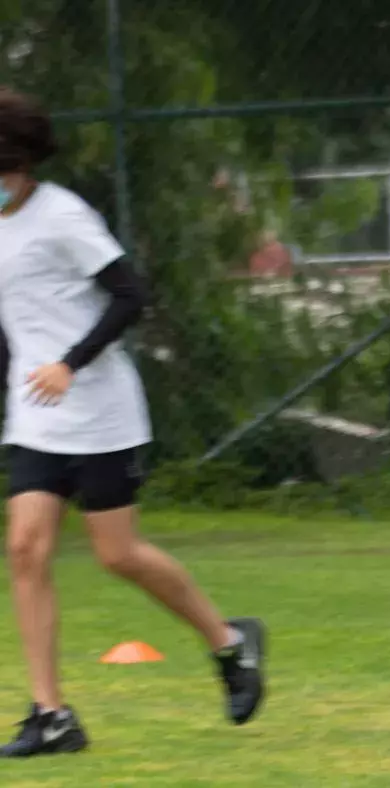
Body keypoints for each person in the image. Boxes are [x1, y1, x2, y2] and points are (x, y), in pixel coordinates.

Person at [0, 88, 267, 758]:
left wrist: (70, 362)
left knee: (117, 554)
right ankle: (51, 714)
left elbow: (130, 295)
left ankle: (231, 645)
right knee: (26, 548)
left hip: (98, 415)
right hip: (33, 418)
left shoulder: (63, 216)